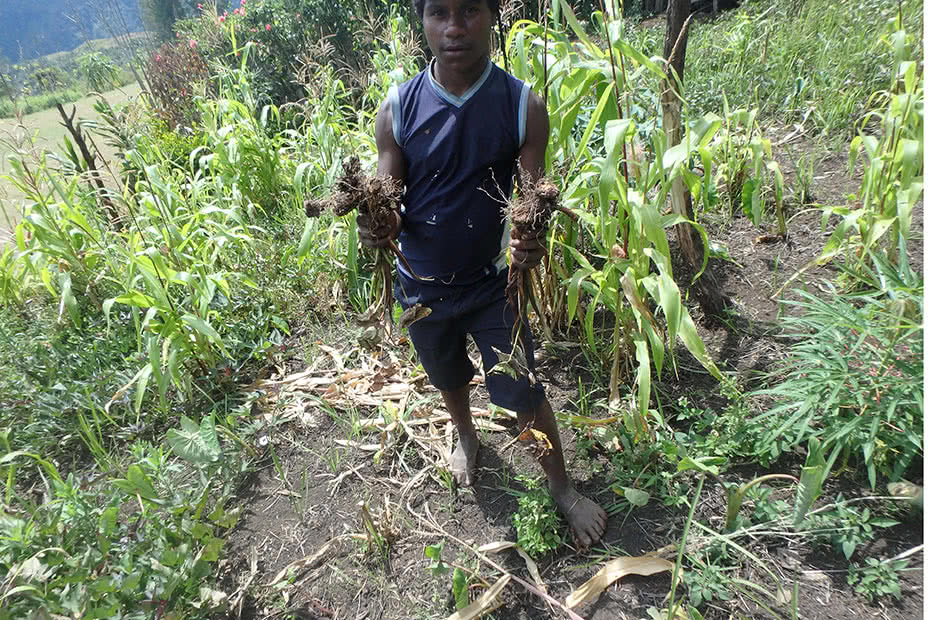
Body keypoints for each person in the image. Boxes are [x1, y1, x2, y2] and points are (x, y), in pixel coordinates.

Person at [357, 0, 607, 549]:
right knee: (447, 375)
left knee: (522, 393)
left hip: (495, 285)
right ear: (421, 20)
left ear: (492, 15)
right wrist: (379, 221)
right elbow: (389, 193)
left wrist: (531, 237)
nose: (454, 28)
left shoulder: (521, 106)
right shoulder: (398, 108)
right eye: (438, 13)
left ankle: (561, 487)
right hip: (420, 286)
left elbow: (531, 196)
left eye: (468, 11)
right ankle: (466, 434)